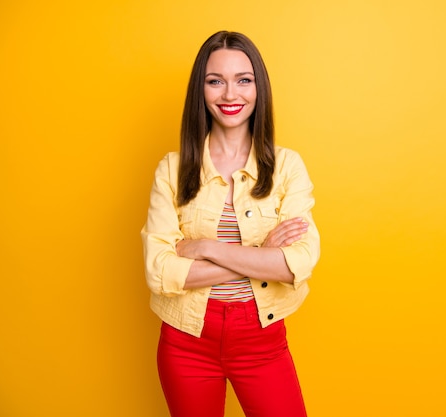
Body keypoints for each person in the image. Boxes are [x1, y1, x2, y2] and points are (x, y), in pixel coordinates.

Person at [141, 31, 320, 417]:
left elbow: (298, 262)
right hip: (186, 342)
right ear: (200, 91)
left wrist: (206, 249)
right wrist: (261, 256)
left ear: (259, 88)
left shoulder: (287, 167)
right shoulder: (172, 171)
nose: (229, 94)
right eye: (215, 81)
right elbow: (159, 271)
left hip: (262, 341)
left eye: (243, 80)